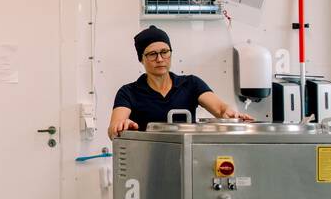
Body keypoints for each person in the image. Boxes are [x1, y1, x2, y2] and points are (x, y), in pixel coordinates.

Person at [108, 25, 253, 140]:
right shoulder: (129, 92)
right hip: (146, 162)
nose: (160, 59)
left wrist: (232, 115)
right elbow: (113, 128)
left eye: (164, 52)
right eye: (152, 54)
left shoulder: (191, 84)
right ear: (141, 59)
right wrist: (121, 126)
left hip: (187, 158)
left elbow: (220, 109)